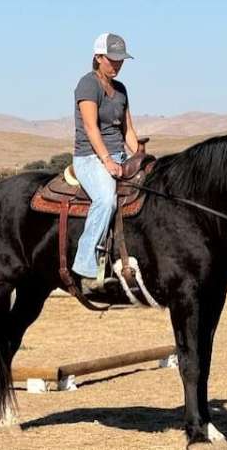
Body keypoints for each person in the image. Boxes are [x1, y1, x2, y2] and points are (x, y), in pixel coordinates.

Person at [71, 32, 140, 291]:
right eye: (113, 59)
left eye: (121, 60)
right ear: (98, 57)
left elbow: (128, 132)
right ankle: (85, 263)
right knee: (106, 198)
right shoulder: (88, 85)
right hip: (90, 157)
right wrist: (107, 160)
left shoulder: (121, 90)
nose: (118, 64)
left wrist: (139, 156)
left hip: (119, 156)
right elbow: (91, 128)